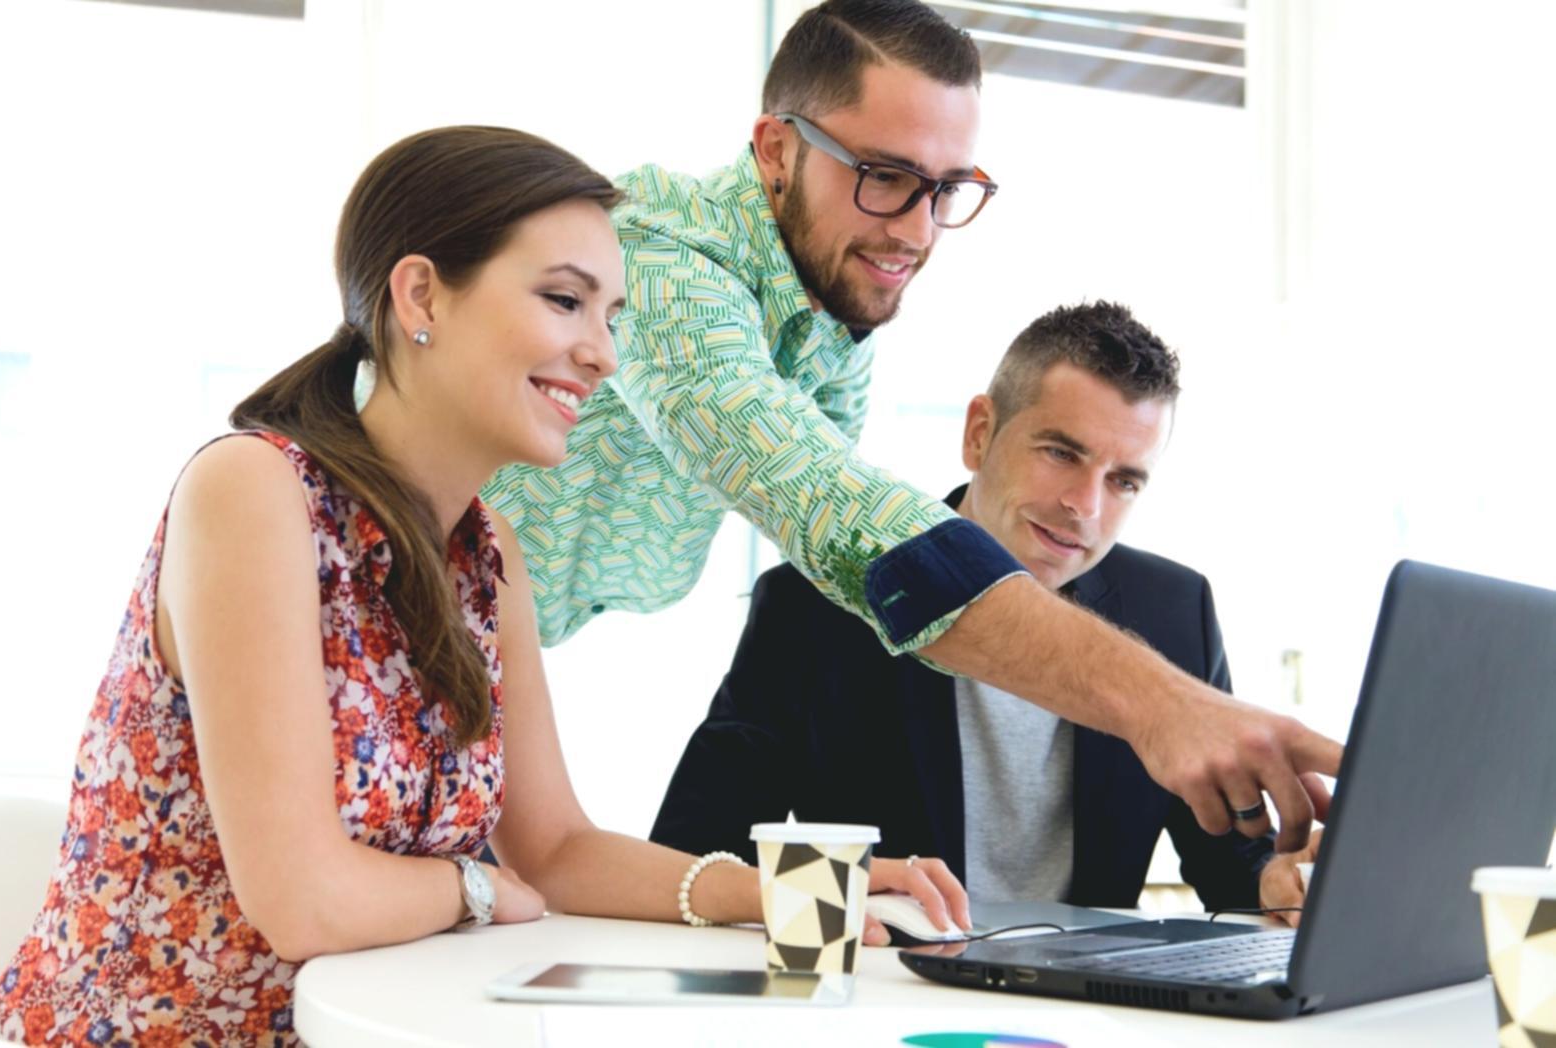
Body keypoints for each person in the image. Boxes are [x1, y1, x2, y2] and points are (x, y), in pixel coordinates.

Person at [0, 126, 964, 1048]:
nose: (603, 353)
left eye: (611, 315)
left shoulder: (485, 551)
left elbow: (557, 846)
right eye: (563, 300)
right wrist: (478, 888)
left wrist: (798, 890)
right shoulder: (253, 490)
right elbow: (304, 898)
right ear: (420, 297)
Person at [481, 0, 1339, 849]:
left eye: (946, 189)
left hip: (487, 645)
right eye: (885, 177)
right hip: (389, 609)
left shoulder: (834, 311)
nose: (918, 231)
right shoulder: (665, 270)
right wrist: (1162, 703)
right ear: (775, 150)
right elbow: (833, 510)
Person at [651, 302, 1324, 930]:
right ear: (979, 435)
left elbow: (1225, 865)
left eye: (1123, 480)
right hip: (892, 991)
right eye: (1061, 453)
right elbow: (692, 860)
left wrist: (1276, 882)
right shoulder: (813, 605)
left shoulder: (1174, 610)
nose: (1084, 506)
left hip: (1084, 1008)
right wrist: (848, 895)